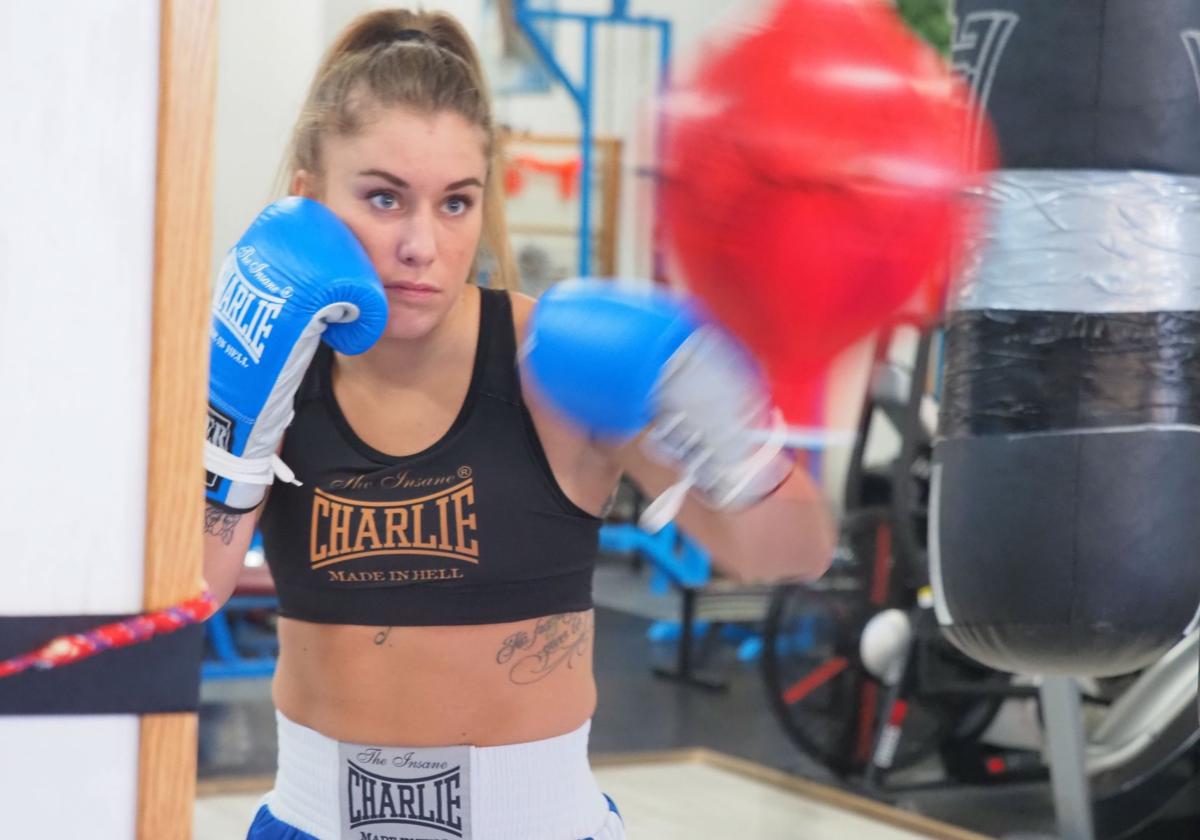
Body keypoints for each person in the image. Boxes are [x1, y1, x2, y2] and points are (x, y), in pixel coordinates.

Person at [202, 9, 834, 840]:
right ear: (308, 198)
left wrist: (736, 439)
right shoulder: (273, 365)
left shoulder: (557, 365)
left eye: (455, 203)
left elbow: (791, 551)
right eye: (383, 197)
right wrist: (232, 437)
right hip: (310, 820)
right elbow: (190, 599)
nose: (421, 244)